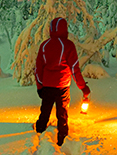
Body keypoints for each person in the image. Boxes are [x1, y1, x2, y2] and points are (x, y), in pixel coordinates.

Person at [34, 17, 91, 146]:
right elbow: (74, 69)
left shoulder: (45, 45)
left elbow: (38, 68)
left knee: (45, 112)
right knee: (62, 114)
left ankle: (38, 133)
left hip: (47, 86)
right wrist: (83, 88)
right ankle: (62, 138)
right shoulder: (68, 45)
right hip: (62, 87)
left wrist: (39, 86)